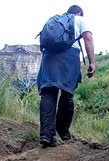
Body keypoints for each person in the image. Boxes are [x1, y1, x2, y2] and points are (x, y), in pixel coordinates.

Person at [37, 4, 95, 147]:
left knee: (48, 92)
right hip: (69, 56)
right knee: (67, 93)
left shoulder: (54, 20)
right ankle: (63, 132)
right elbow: (88, 38)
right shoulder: (80, 20)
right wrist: (92, 62)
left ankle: (46, 134)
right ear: (79, 13)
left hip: (49, 56)